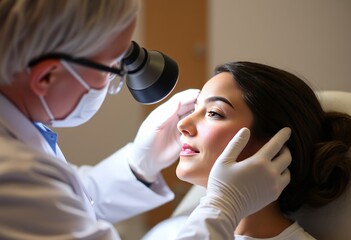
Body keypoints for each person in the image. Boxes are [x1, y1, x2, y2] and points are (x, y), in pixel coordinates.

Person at [0, 1, 292, 239]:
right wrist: (224, 205)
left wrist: (138, 167)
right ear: (46, 76)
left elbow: (64, 202)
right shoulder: (12, 173)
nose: (183, 125)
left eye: (214, 112)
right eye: (113, 68)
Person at [143, 61, 351, 239]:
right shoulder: (170, 231)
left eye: (214, 113)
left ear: (273, 146)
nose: (183, 124)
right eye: (194, 108)